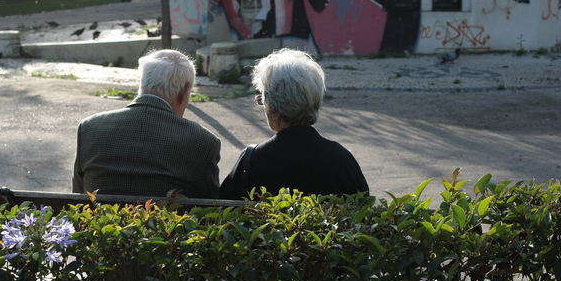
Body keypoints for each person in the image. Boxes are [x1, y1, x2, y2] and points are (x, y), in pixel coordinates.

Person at [219, 48, 369, 200]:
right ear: (316, 102)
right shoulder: (342, 159)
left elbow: (224, 208)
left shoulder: (251, 161)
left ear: (273, 109)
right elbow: (363, 207)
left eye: (262, 100)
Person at [72, 49, 221, 199]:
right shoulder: (203, 141)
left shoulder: (89, 127)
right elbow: (212, 205)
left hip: (98, 215)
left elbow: (77, 195)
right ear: (184, 92)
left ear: (142, 83)